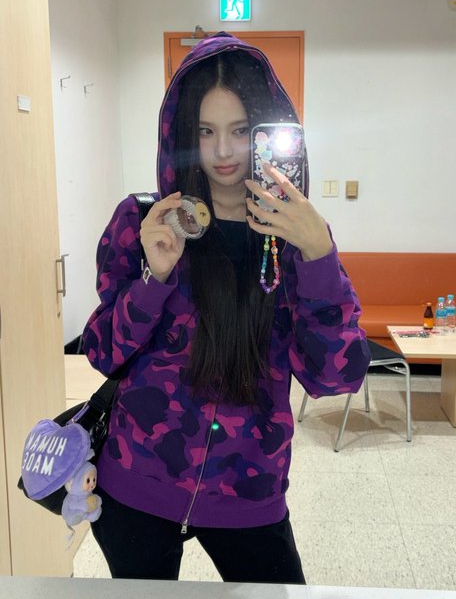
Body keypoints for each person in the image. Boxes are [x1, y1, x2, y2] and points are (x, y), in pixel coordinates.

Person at [82, 31, 371, 584]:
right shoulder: (145, 221)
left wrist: (318, 255)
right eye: (205, 131)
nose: (222, 153)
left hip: (248, 491)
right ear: (181, 134)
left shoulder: (296, 237)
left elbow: (336, 378)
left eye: (241, 131)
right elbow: (101, 352)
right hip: (136, 483)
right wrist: (154, 277)